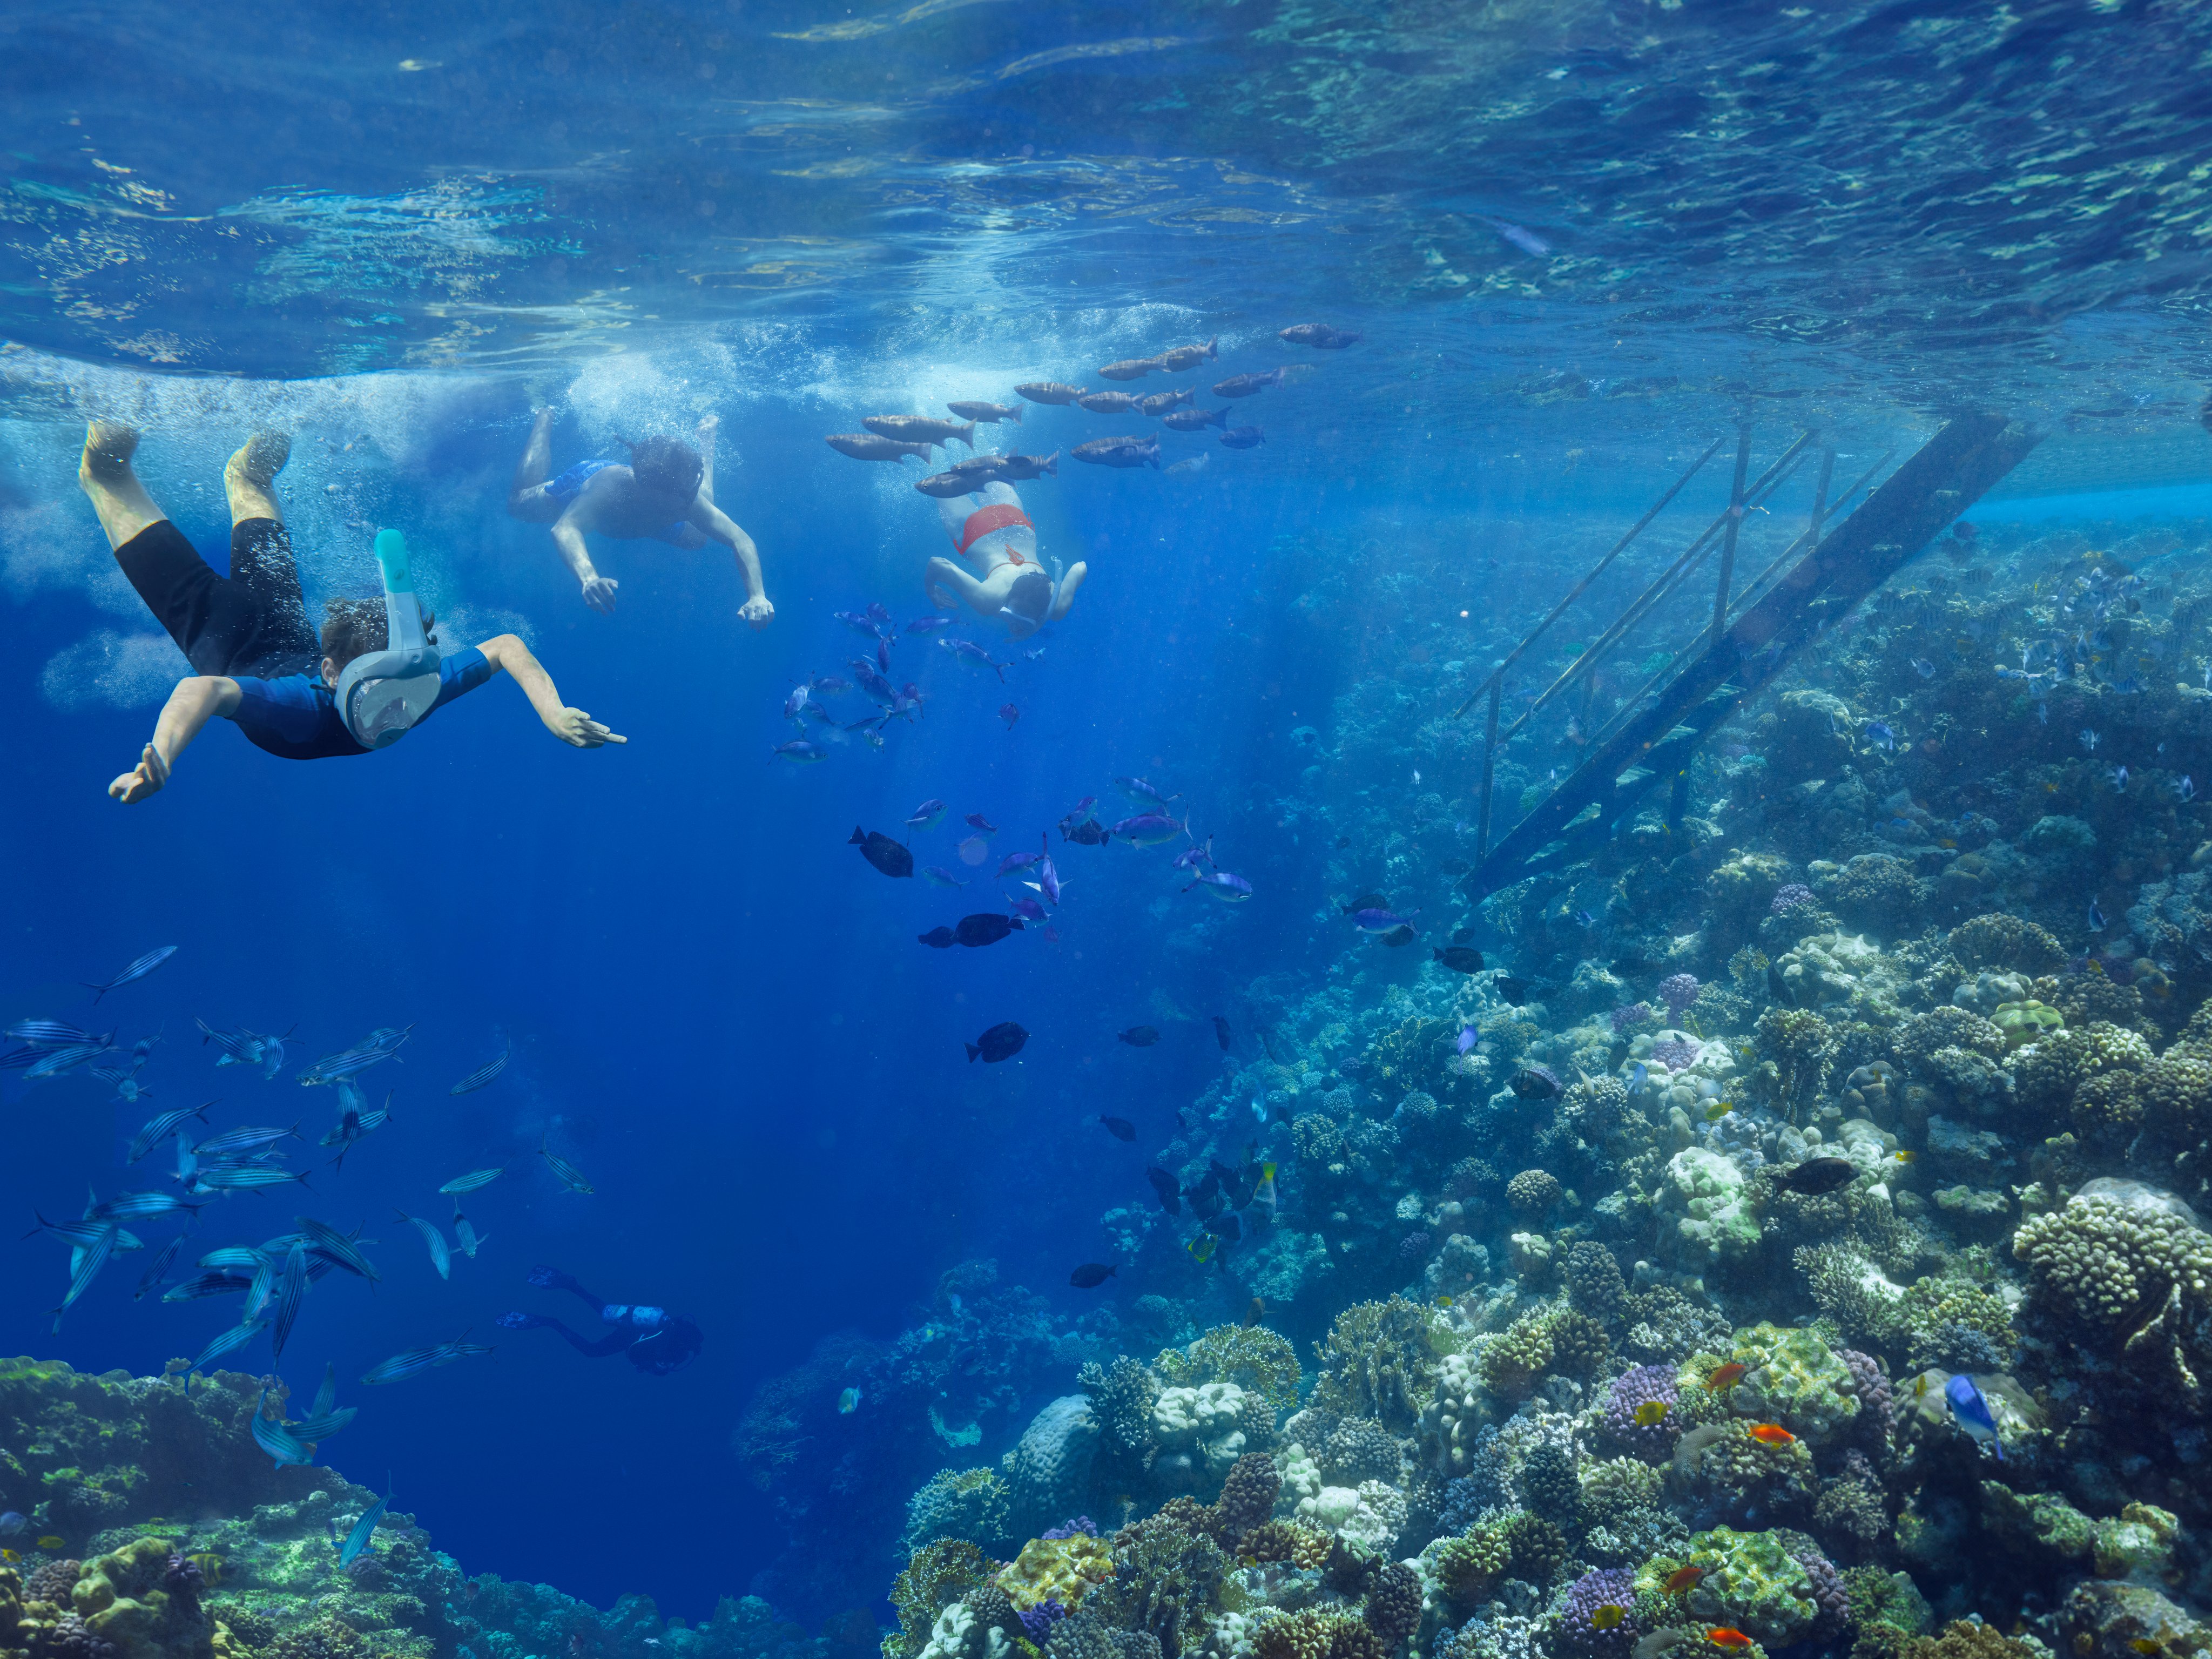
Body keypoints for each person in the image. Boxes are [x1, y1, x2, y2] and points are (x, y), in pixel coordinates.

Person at [78, 421, 624, 802]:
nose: (396, 717)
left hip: (245, 625)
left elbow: (506, 646)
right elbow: (203, 691)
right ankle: (231, 472)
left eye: (408, 693)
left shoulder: (414, 684)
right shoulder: (302, 709)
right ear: (331, 673)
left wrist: (552, 712)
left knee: (112, 472)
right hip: (245, 625)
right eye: (383, 694)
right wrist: (165, 755)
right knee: (126, 474)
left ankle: (200, 475)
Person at [507, 409, 772, 627]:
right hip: (584, 483)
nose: (689, 500)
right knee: (518, 504)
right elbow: (565, 528)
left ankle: (707, 441)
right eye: (683, 493)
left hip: (643, 517)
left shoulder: (685, 498)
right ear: (647, 491)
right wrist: (589, 578)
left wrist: (757, 595)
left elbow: (741, 539)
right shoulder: (607, 489)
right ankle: (545, 415)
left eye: (692, 488)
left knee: (699, 536)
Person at [925, 480, 1085, 641]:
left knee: (988, 469)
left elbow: (1080, 568)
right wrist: (931, 592)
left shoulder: (1059, 604)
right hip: (974, 533)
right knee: (942, 484)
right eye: (1009, 614)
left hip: (1014, 521)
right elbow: (937, 563)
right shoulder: (988, 601)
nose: (1015, 626)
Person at [496, 1265, 703, 1376]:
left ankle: (572, 1286)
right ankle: (552, 1323)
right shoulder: (679, 1354)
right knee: (591, 1351)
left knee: (603, 1310)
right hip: (631, 1338)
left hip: (634, 1323)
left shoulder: (672, 1330)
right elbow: (652, 1363)